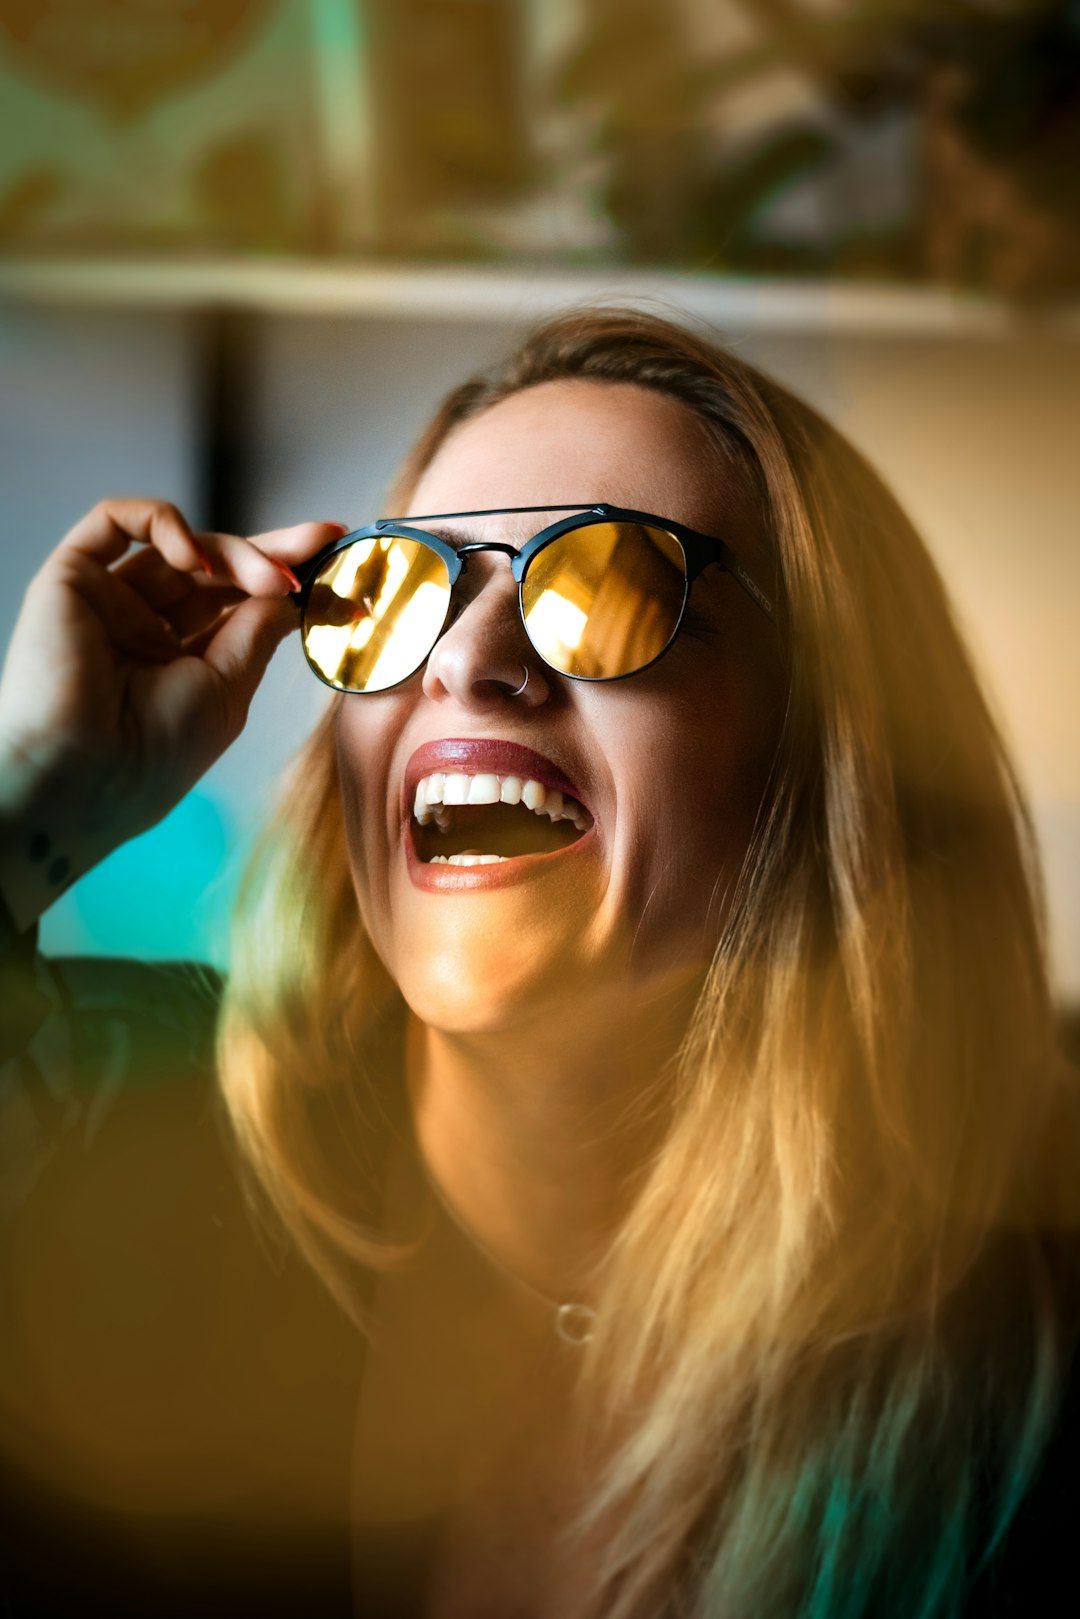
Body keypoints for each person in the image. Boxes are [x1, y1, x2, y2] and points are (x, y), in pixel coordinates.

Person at [1, 305, 1077, 1619]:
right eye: (401, 587)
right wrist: (26, 804)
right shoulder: (106, 1127)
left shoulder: (1017, 1394)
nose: (468, 658)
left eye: (611, 583)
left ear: (830, 750)